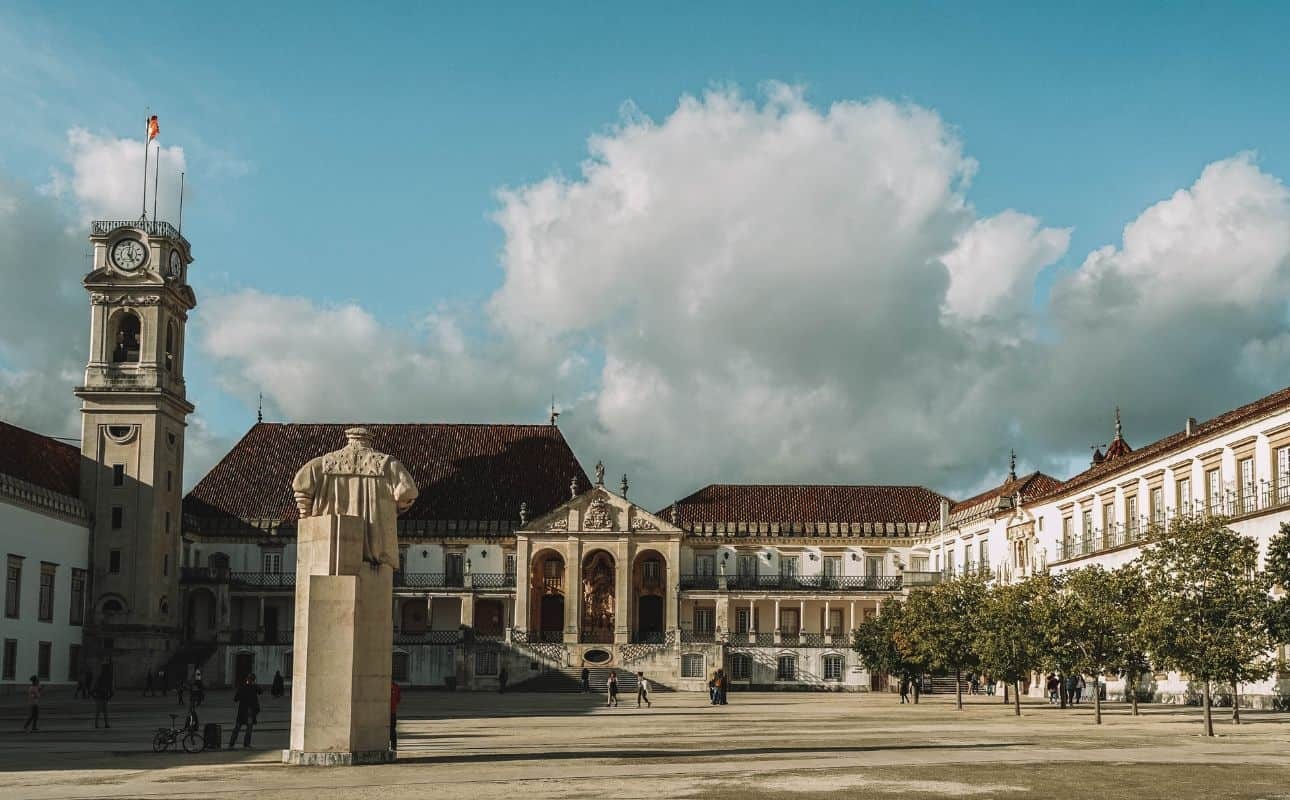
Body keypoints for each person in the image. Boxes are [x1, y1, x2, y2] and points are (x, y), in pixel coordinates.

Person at [228, 674, 260, 749]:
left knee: (238, 728)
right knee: (248, 729)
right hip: (249, 711)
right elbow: (260, 691)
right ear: (253, 680)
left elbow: (236, 699)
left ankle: (231, 744)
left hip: (243, 711)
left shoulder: (242, 687)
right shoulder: (254, 687)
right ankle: (246, 744)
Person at [389, 680, 402, 751]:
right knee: (392, 729)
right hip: (392, 711)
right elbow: (398, 699)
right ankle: (393, 746)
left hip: (389, 711)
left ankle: (393, 746)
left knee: (391, 729)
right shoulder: (396, 687)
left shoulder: (396, 687)